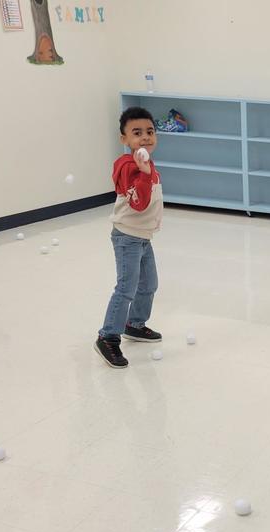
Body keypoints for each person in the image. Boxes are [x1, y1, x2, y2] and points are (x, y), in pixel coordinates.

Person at [94, 106, 164, 369]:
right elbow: (138, 203)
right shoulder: (126, 166)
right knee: (126, 287)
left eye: (150, 132)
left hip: (143, 237)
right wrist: (143, 174)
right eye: (137, 133)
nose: (145, 137)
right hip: (127, 237)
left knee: (149, 285)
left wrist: (146, 170)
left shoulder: (146, 164)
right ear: (124, 139)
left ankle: (134, 324)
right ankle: (108, 337)